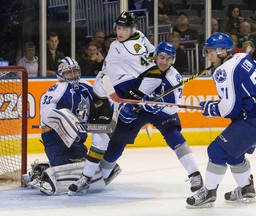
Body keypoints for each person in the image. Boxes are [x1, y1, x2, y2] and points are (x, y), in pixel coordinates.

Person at [69, 41, 204, 196]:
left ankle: (195, 175)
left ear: (173, 60)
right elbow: (118, 91)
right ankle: (99, 176)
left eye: (169, 59)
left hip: (161, 112)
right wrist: (122, 107)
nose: (164, 62)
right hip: (138, 110)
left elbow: (174, 107)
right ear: (155, 56)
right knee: (118, 140)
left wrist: (160, 105)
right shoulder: (140, 69)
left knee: (174, 135)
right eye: (161, 57)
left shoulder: (175, 78)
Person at [68, 11, 157, 195]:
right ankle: (92, 175)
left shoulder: (134, 44)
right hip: (104, 92)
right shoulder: (127, 43)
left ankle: (96, 175)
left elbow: (151, 62)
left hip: (116, 94)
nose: (120, 32)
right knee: (101, 137)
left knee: (111, 137)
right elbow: (109, 76)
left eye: (124, 28)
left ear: (132, 29)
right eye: (118, 28)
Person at [185, 33, 256, 208]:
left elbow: (229, 108)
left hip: (252, 121)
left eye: (211, 52)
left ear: (222, 52)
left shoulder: (223, 71)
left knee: (216, 150)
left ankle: (209, 192)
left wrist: (211, 108)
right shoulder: (244, 57)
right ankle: (247, 188)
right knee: (233, 154)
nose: (208, 56)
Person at [22, 57, 103, 195]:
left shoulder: (86, 86)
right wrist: (65, 121)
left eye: (75, 71)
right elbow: (46, 113)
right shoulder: (57, 88)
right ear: (61, 74)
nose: (74, 75)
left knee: (80, 165)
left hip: (77, 139)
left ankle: (43, 169)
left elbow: (101, 102)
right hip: (55, 137)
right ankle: (39, 174)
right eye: (69, 72)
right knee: (64, 166)